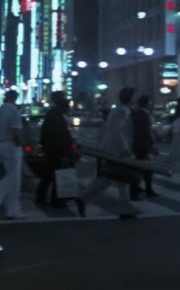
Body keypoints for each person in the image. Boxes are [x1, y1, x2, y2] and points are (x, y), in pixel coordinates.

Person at [82, 87, 141, 219]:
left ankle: (84, 199)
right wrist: (124, 148)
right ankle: (124, 208)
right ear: (130, 98)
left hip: (112, 150)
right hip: (116, 151)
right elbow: (116, 131)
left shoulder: (119, 110)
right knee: (118, 180)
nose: (135, 99)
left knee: (110, 180)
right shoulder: (123, 111)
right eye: (134, 96)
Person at [37, 92, 84, 216]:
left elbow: (45, 133)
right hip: (58, 149)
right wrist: (69, 149)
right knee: (58, 174)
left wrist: (43, 145)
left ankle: (41, 197)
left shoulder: (51, 114)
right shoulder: (58, 118)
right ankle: (57, 199)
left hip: (51, 148)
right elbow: (64, 137)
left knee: (48, 174)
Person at [0, 90, 25, 219]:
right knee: (14, 178)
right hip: (11, 145)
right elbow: (16, 132)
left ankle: (11, 210)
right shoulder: (14, 112)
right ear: (15, 98)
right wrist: (20, 144)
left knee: (10, 176)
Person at [131, 95, 158, 198]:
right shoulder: (145, 115)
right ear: (147, 104)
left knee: (138, 167)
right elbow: (148, 131)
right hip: (143, 145)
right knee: (146, 168)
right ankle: (145, 190)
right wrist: (153, 144)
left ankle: (137, 189)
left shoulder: (135, 114)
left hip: (135, 144)